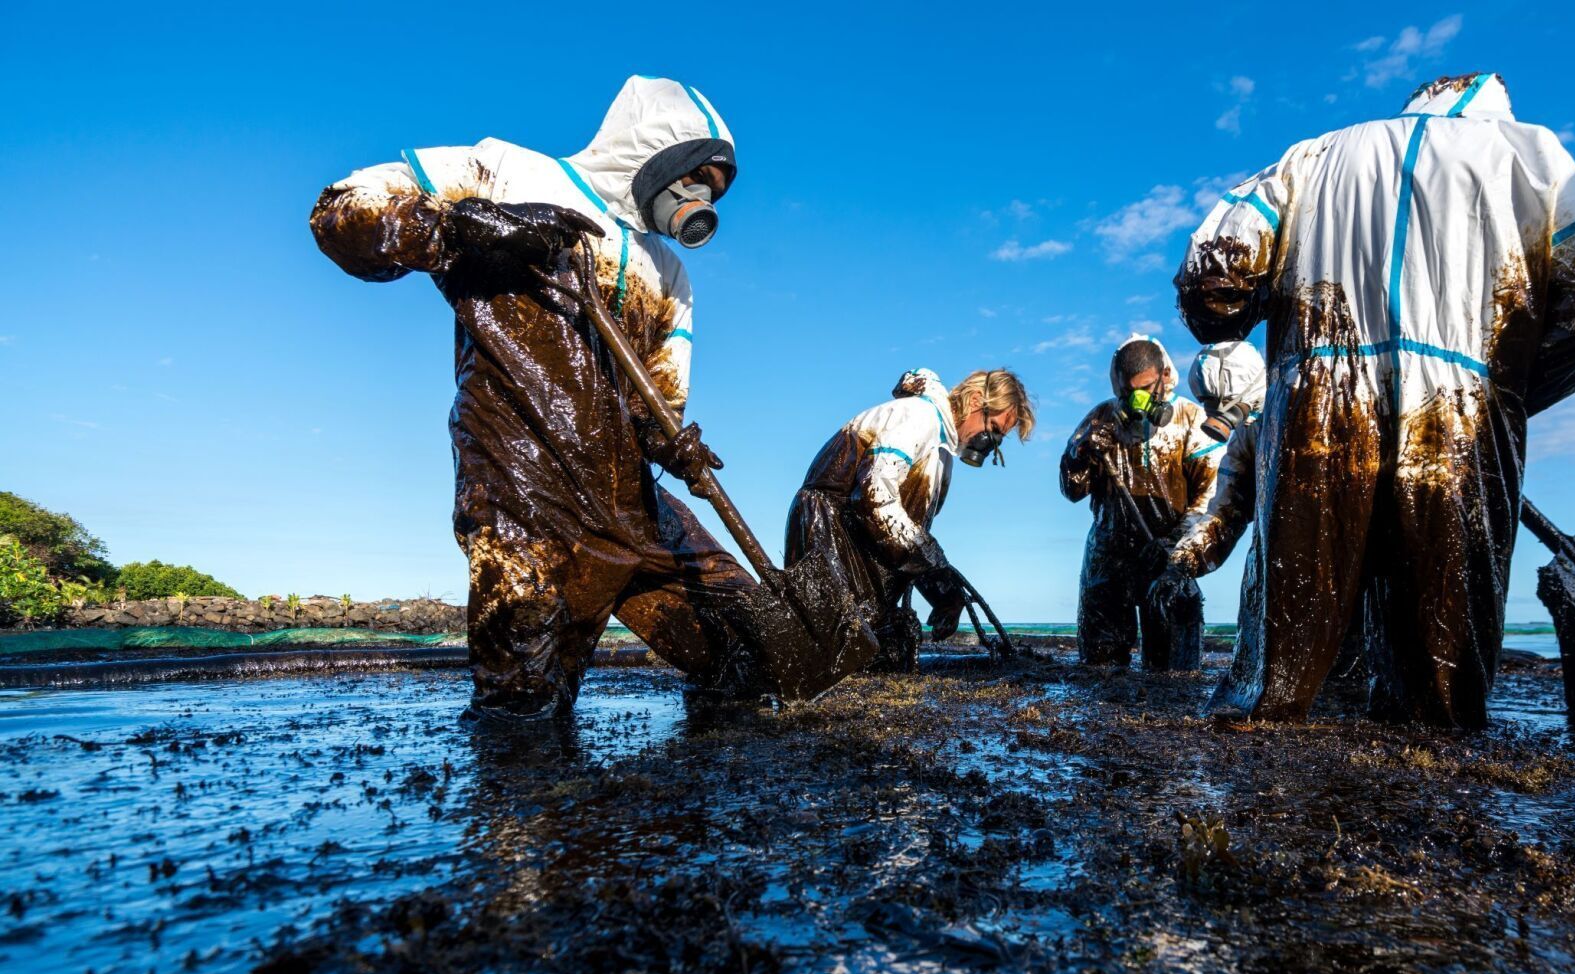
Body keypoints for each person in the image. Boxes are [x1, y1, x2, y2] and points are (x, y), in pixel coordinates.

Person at [1160, 72, 1575, 727]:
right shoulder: (1534, 157)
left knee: (1274, 679)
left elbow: (1212, 278)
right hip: (1459, 420)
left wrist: (1248, 326)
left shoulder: (1312, 158)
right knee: (1439, 686)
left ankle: (1254, 795)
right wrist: (1506, 393)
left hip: (1314, 411)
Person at [311, 75, 758, 719]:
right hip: (522, 483)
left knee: (747, 645)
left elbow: (660, 399)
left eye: (713, 193)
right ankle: (528, 810)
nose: (697, 198)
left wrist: (674, 446)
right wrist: (466, 227)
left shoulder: (672, 273)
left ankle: (680, 812)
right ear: (657, 155)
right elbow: (341, 211)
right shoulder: (506, 170)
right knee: (526, 699)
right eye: (693, 178)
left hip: (629, 500)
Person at [784, 368, 1033, 671]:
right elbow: (874, 495)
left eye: (998, 440)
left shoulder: (943, 457)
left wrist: (943, 593)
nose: (989, 443)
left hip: (858, 540)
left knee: (881, 654)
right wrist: (937, 570)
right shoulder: (919, 417)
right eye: (992, 429)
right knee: (833, 655)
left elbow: (909, 532)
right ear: (976, 400)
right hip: (826, 530)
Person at [1060, 336, 1231, 672]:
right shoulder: (1101, 418)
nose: (1135, 400)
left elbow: (1210, 497)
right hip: (1108, 560)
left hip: (1167, 559)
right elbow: (1072, 491)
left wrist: (1174, 548)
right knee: (1100, 669)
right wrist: (1077, 455)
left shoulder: (1190, 421)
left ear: (1164, 378)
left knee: (1174, 674)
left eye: (1144, 389)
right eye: (1126, 392)